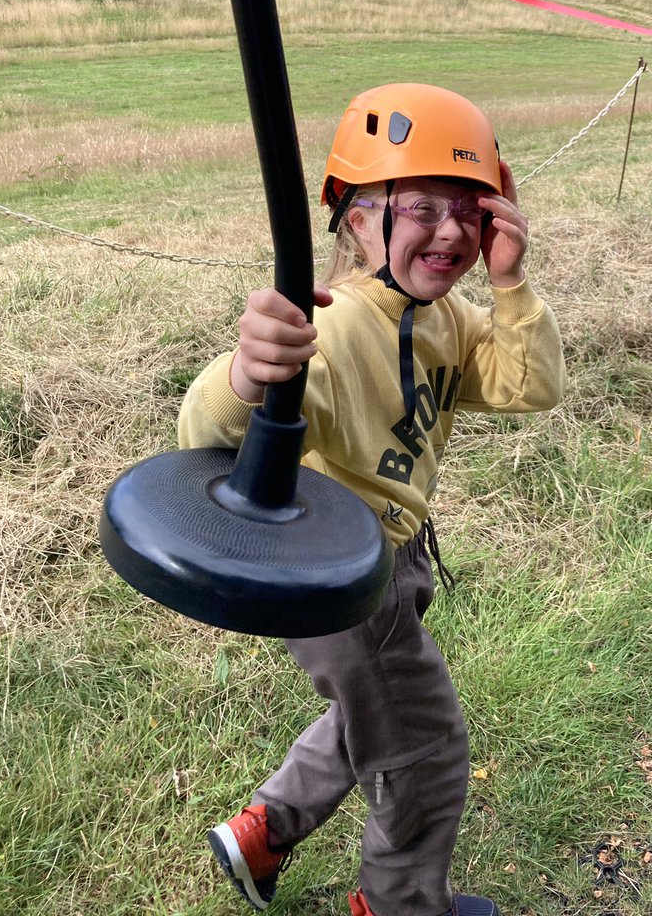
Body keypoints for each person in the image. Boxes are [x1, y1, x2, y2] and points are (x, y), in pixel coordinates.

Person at [178, 82, 566, 916]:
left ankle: (262, 832)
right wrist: (249, 371)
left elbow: (530, 386)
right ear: (356, 219)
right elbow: (208, 437)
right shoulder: (336, 326)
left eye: (471, 209)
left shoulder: (448, 318)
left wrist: (512, 284)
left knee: (378, 711)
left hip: (396, 561)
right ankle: (401, 906)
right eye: (421, 205)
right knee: (426, 751)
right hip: (349, 577)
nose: (453, 229)